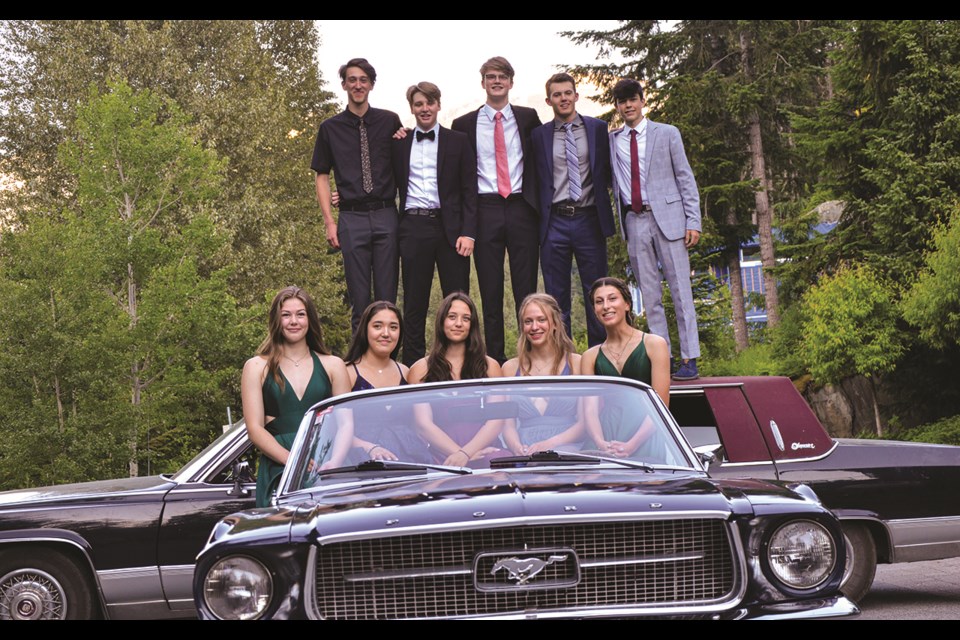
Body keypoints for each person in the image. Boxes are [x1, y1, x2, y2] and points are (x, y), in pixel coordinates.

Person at [609, 78, 702, 381]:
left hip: (670, 220)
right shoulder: (613, 141)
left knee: (680, 290)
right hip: (635, 222)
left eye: (633, 99)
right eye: (622, 102)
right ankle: (664, 356)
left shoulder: (667, 133)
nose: (628, 106)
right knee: (649, 295)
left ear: (642, 100)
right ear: (618, 107)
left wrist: (693, 220)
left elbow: (685, 177)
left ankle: (690, 358)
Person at [452, 56, 542, 364]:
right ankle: (495, 360)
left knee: (526, 290)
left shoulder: (529, 118)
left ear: (511, 82)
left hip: (521, 208)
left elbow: (541, 161)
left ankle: (528, 356)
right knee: (490, 292)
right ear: (483, 83)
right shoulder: (463, 125)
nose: (497, 81)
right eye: (491, 76)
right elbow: (457, 176)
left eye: (502, 76)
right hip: (485, 209)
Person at [311, 58, 403, 332]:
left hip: (387, 215)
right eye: (352, 80)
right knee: (359, 302)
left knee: (388, 302)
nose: (358, 85)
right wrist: (330, 221)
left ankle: (390, 371)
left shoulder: (390, 121)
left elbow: (404, 162)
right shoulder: (330, 128)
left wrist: (404, 137)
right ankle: (356, 369)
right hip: (351, 219)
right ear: (344, 85)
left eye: (363, 80)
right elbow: (322, 175)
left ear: (371, 85)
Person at [241, 286, 351, 507]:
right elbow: (254, 429)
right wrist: (293, 461)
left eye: (300, 314)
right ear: (276, 320)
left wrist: (334, 464)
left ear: (309, 319)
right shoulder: (255, 367)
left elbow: (346, 423)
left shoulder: (334, 365)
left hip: (326, 463)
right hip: (280, 467)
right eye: (286, 315)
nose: (294, 321)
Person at [392, 81, 477, 366]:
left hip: (451, 231)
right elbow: (381, 180)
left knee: (458, 303)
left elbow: (469, 190)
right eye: (418, 104)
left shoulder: (458, 140)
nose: (424, 108)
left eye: (429, 102)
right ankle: (413, 368)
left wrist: (468, 232)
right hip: (413, 228)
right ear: (412, 109)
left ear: (438, 105)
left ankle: (464, 364)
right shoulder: (399, 142)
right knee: (414, 304)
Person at [531, 73, 616, 348]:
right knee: (556, 299)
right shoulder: (538, 135)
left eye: (568, 93)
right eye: (557, 94)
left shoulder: (598, 129)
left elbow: (610, 171)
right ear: (549, 100)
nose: (563, 98)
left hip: (589, 218)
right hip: (554, 221)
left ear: (576, 96)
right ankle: (562, 358)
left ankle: (599, 356)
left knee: (597, 293)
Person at [580, 277, 670, 460]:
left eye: (612, 298)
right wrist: (600, 443)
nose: (606, 306)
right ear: (595, 310)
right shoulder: (589, 356)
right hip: (605, 437)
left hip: (646, 434)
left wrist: (632, 445)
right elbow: (589, 409)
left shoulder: (654, 344)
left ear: (627, 304)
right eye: (599, 301)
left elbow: (661, 405)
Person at [409, 292, 503, 467]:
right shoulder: (420, 369)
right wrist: (458, 454)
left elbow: (497, 421)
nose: (458, 323)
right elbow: (423, 424)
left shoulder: (490, 366)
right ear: (441, 321)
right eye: (452, 317)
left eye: (466, 318)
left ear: (472, 325)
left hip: (485, 450)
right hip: (441, 454)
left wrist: (466, 453)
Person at [342, 300, 426, 463]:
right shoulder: (347, 372)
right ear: (365, 329)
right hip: (361, 460)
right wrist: (369, 447)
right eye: (378, 326)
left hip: (408, 457)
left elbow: (417, 423)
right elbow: (336, 428)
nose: (386, 333)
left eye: (393, 327)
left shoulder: (407, 372)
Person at [501, 293, 584, 455]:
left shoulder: (577, 363)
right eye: (528, 321)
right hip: (524, 449)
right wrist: (517, 447)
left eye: (541, 320)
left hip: (568, 448)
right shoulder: (509, 368)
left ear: (554, 324)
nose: (534, 327)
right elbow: (507, 425)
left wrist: (549, 445)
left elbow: (584, 422)